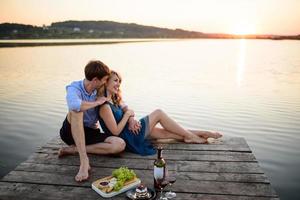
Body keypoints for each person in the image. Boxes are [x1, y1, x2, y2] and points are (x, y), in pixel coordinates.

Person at [98, 71, 222, 156]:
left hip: (132, 132)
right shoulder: (104, 107)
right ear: (106, 82)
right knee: (158, 113)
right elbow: (115, 131)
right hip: (128, 138)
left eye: (119, 81)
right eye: (115, 81)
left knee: (166, 133)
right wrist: (127, 116)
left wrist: (131, 118)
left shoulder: (114, 100)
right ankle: (192, 136)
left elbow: (127, 110)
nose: (118, 84)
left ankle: (202, 133)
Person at [58, 61, 126, 182]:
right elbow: (74, 104)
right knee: (77, 111)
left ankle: (73, 150)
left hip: (90, 131)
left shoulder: (100, 88)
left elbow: (117, 98)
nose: (106, 81)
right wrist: (96, 103)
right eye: (105, 79)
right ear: (95, 80)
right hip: (69, 131)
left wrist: (129, 116)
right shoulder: (74, 87)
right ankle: (84, 161)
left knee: (119, 144)